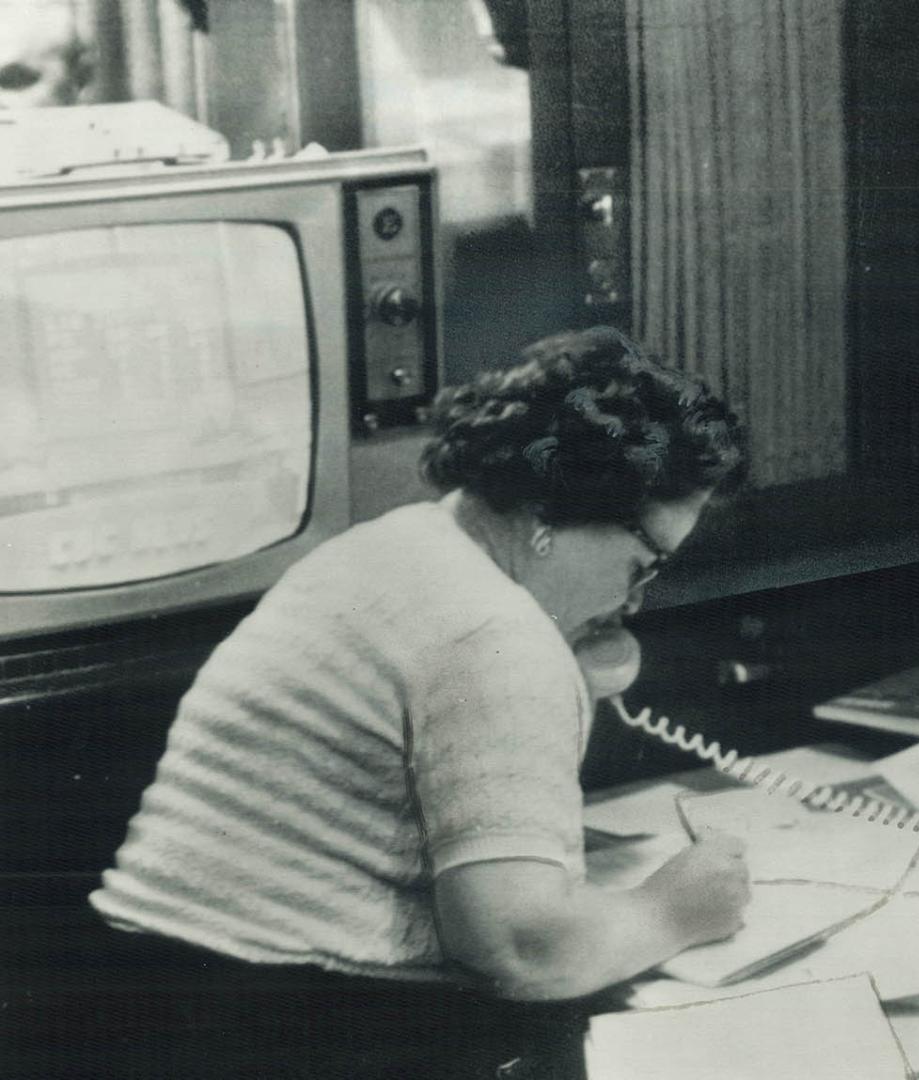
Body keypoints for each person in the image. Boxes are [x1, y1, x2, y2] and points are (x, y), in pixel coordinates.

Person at [80, 326, 753, 1078]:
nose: (632, 600)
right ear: (551, 518)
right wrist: (672, 912)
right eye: (642, 563)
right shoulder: (495, 633)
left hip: (151, 1003)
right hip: (284, 1025)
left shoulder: (393, 548)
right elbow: (525, 951)